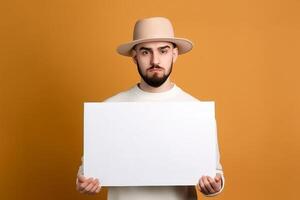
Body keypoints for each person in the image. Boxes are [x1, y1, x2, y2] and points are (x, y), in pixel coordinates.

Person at [76, 17, 225, 200]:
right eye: (146, 52)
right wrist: (84, 181)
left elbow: (216, 172)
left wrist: (214, 187)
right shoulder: (109, 109)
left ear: (174, 54)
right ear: (135, 57)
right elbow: (86, 172)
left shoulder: (196, 111)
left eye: (163, 51)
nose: (155, 60)